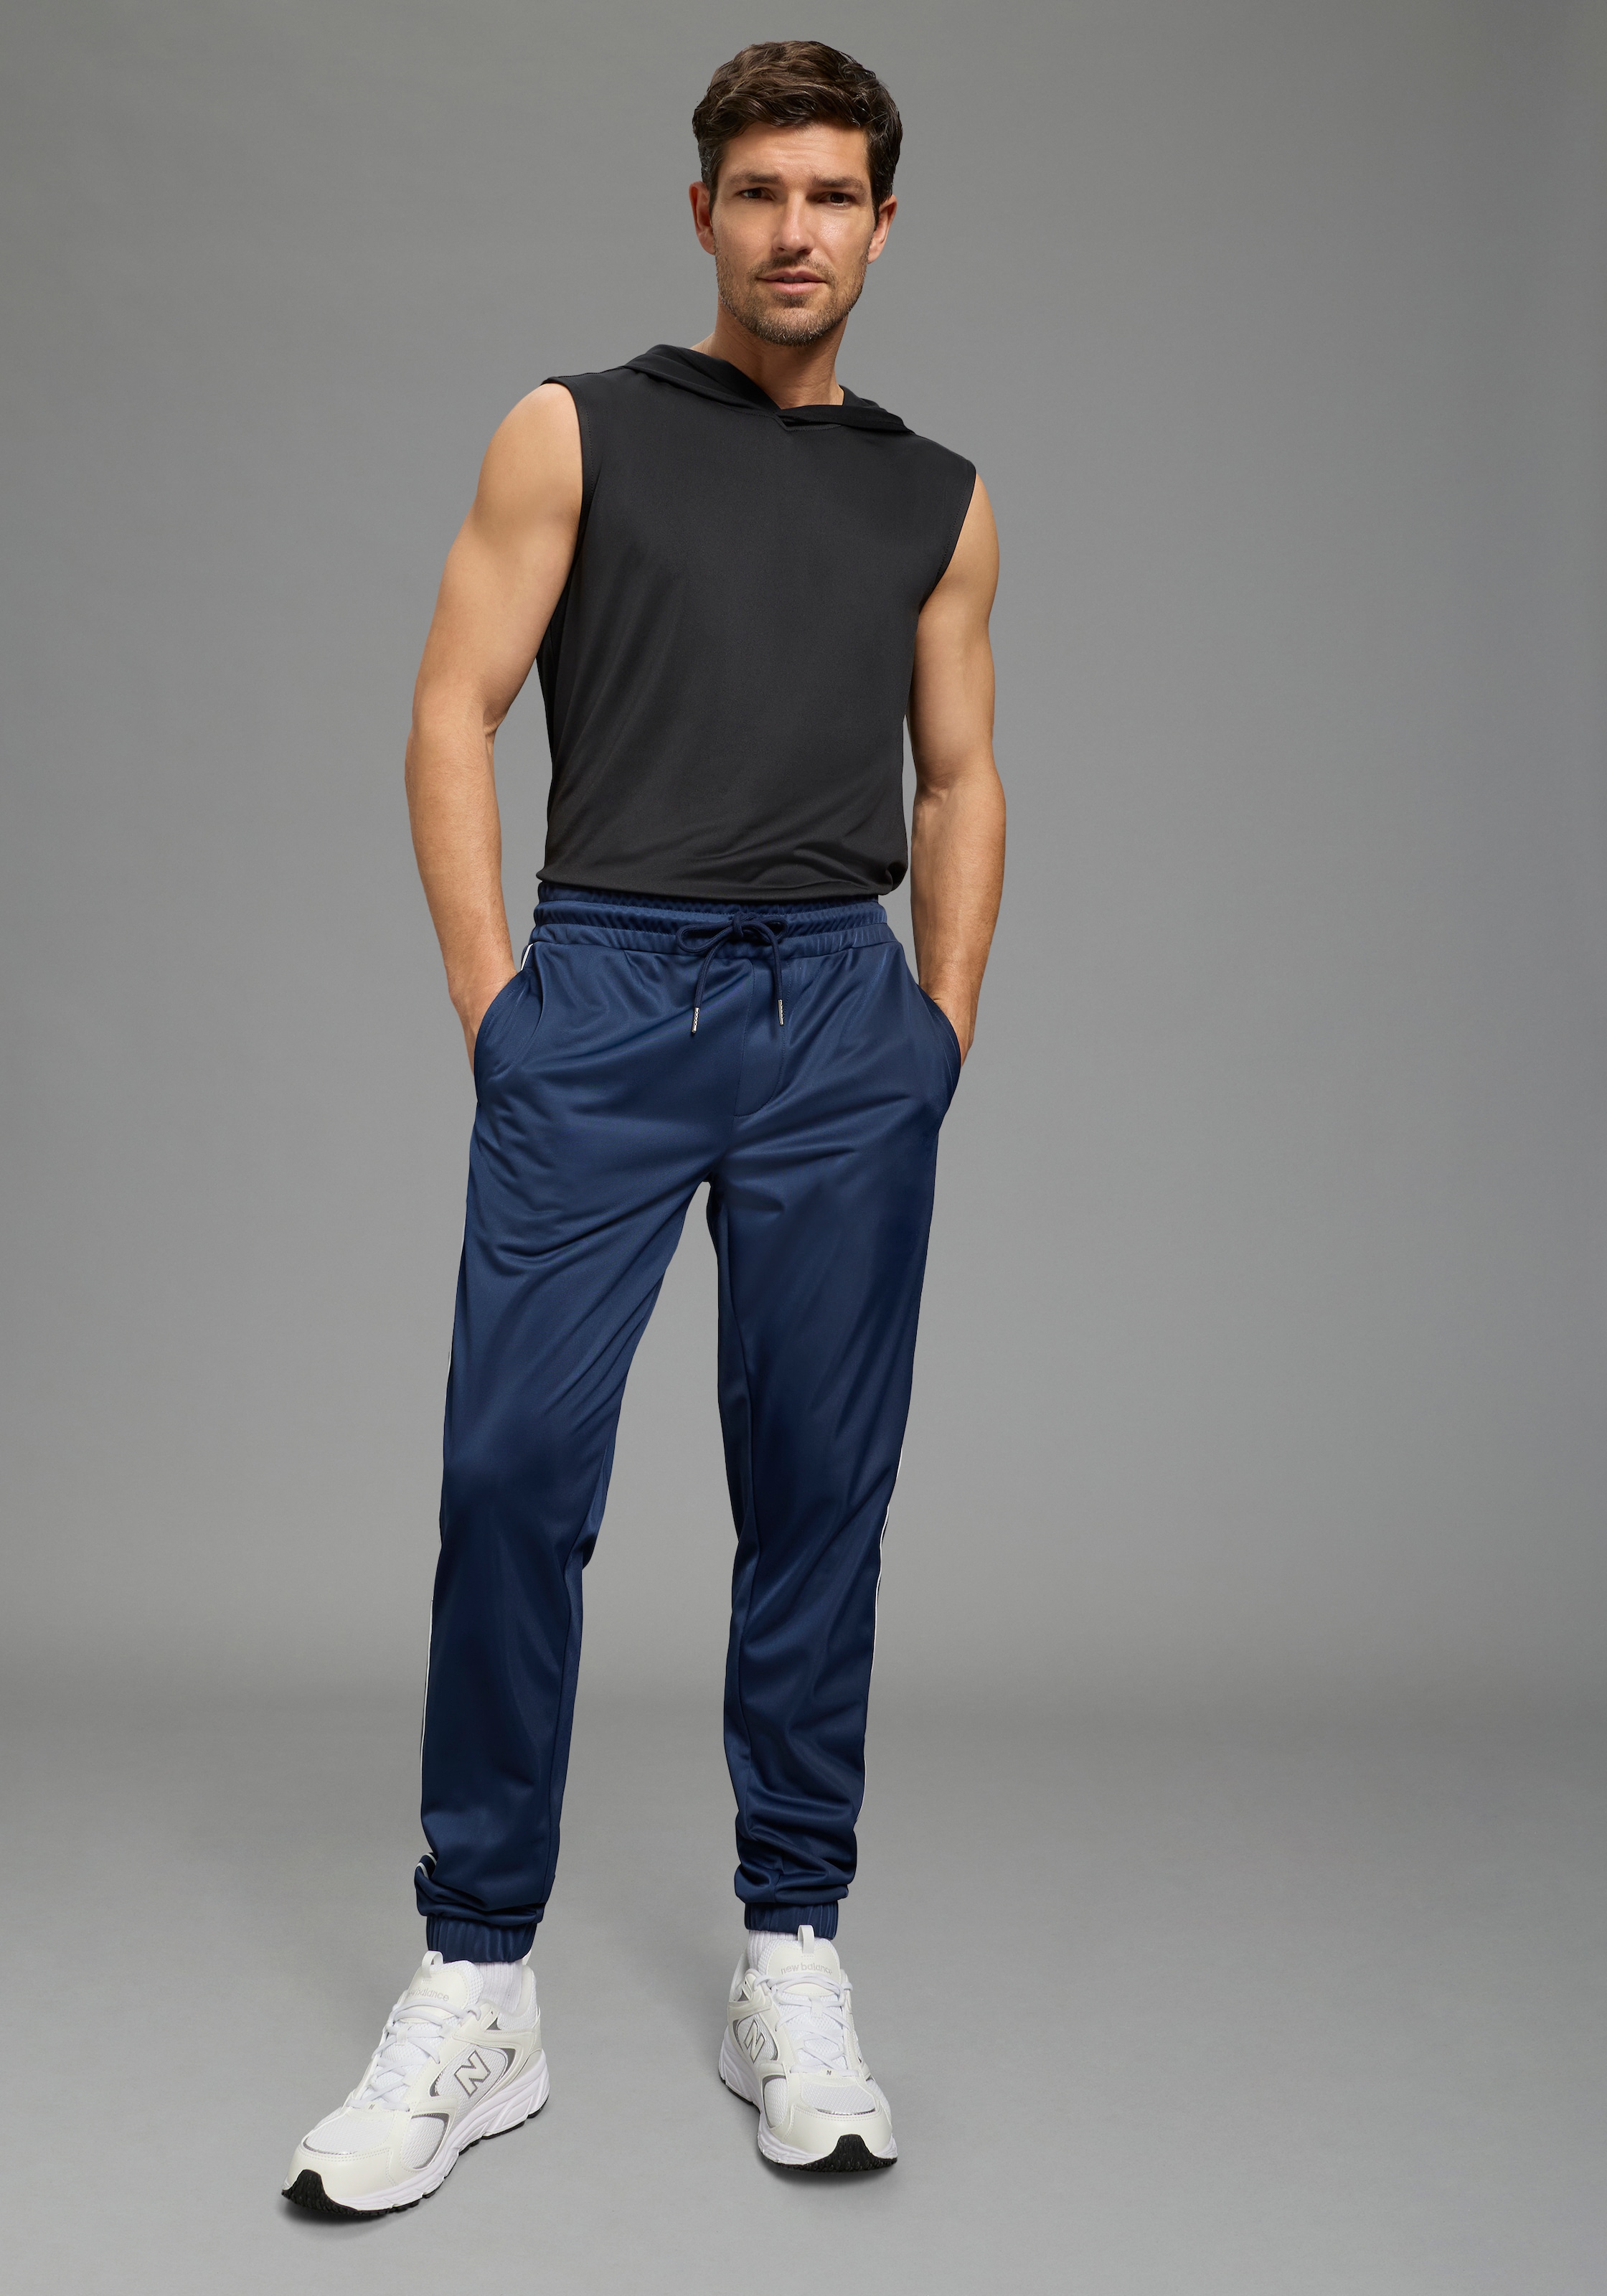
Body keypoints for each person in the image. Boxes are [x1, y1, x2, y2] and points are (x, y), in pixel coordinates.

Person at [283, 38, 1003, 2213]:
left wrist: (937, 1032)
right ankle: (475, 1978)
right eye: (760, 191)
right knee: (513, 1474)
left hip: (838, 1016)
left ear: (885, 224)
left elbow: (961, 773)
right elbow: (452, 706)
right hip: (602, 991)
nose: (797, 231)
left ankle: (794, 1950)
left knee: (821, 1497)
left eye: (834, 195)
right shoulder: (572, 429)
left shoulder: (939, 495)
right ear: (702, 213)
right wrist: (497, 1008)